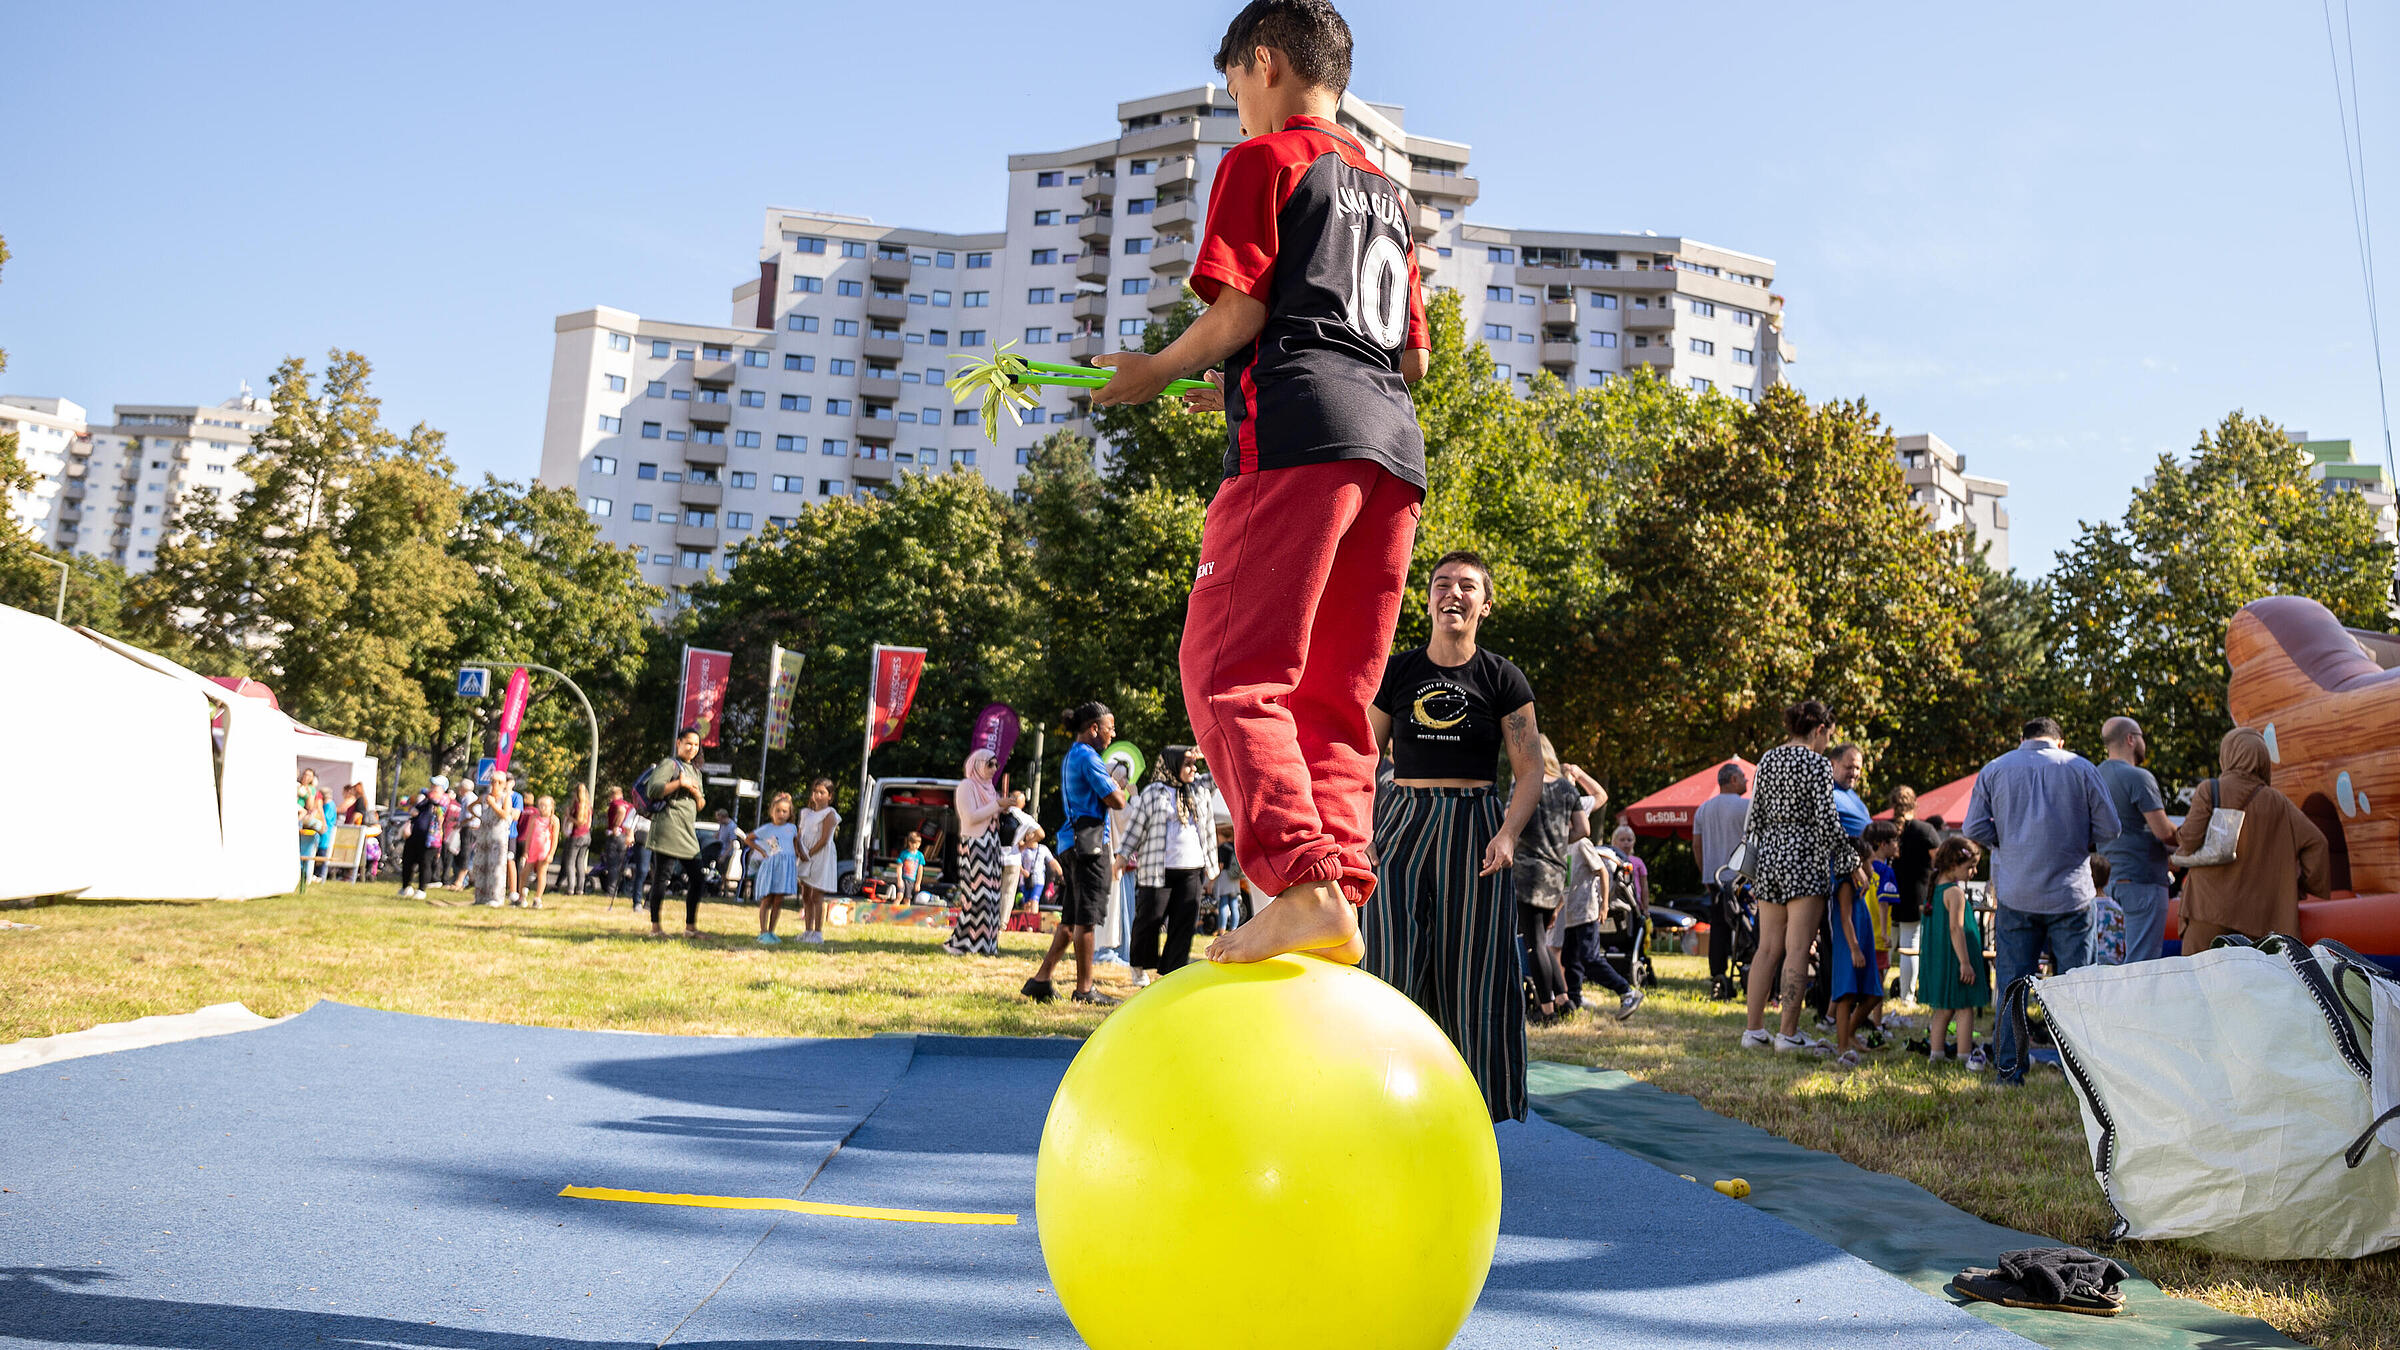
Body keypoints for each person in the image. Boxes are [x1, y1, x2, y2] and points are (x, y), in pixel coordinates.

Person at [1093, 0, 1431, 970]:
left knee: (1232, 668)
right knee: (1333, 693)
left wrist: (1155, 370)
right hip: (1390, 455)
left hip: (1299, 440)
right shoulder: (1387, 194)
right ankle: (1334, 899)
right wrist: (1238, 386)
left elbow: (1242, 308)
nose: (1237, 105)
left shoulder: (1265, 161)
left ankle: (1296, 879)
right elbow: (1407, 358)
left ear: (1267, 64)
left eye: (1236, 83)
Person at [1364, 552, 1545, 1122]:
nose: (1453, 593)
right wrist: (1359, 830)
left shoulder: (1503, 678)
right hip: (1400, 822)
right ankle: (1382, 1106)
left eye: (1467, 586)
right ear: (1428, 600)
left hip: (1476, 828)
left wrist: (1510, 833)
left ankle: (1465, 1116)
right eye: (1442, 584)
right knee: (1388, 966)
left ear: (1484, 605)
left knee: (1474, 974)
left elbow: (1531, 769)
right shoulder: (1396, 672)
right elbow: (1364, 757)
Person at [1963, 716, 2119, 1086]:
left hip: (2017, 891)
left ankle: (2009, 1071)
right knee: (2076, 985)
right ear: (2059, 742)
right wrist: (2076, 840)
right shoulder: (2081, 767)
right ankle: (2079, 1075)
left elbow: (1972, 829)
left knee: (2012, 985)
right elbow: (2111, 828)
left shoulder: (1996, 769)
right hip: (2071, 893)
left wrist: (2007, 842)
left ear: (2022, 739)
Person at [1738, 699, 1856, 1055]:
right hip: (1804, 858)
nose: (1827, 743)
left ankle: (1753, 1030)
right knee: (1797, 948)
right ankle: (1787, 1033)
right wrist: (1850, 858)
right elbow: (1826, 820)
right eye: (1828, 735)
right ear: (1819, 729)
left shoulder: (1768, 760)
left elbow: (1755, 816)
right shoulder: (1818, 765)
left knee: (1767, 947)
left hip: (1769, 858)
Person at [2175, 726, 2331, 951]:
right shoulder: (2279, 802)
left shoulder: (2210, 790)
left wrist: (2179, 835)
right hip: (2261, 916)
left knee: (2198, 980)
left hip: (2207, 909)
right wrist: (2294, 883)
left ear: (2227, 755)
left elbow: (2189, 841)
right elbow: (2317, 843)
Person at [1023, 704, 1130, 1004]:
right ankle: (1085, 990)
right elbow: (1117, 800)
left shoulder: (1072, 755)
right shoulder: (1090, 758)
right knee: (1086, 920)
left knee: (1069, 921)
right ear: (1094, 728)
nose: (1113, 733)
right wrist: (1117, 786)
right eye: (1110, 728)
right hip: (1089, 847)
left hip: (1070, 844)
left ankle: (1041, 980)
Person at [1512, 737, 1601, 1024]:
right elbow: (1584, 828)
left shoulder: (1525, 784)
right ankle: (1563, 998)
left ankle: (1546, 1009)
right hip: (1556, 872)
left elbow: (1509, 821)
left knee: (1534, 940)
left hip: (1527, 871)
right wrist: (1560, 842)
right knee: (1545, 939)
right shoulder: (1565, 787)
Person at [1118, 746, 1222, 984]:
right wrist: (1122, 856)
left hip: (1192, 869)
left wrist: (1205, 753)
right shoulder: (1154, 792)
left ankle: (1171, 972)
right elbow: (1136, 827)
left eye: (1194, 765)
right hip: (1158, 870)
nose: (1193, 769)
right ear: (1173, 765)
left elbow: (1221, 772)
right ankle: (1138, 967)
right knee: (1149, 919)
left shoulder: (1200, 787)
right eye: (1187, 764)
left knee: (1183, 923)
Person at [2097, 717, 2180, 963]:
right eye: (2142, 736)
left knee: (2111, 963)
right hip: (2142, 882)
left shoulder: (2094, 775)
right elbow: (2164, 832)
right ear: (2131, 739)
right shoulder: (2138, 777)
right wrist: (2197, 836)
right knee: (2141, 964)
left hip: (2108, 881)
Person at [1829, 821, 1899, 1066]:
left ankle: (1849, 1033)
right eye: (1868, 862)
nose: (1872, 867)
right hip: (1849, 946)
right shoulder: (1847, 884)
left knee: (1873, 994)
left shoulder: (1861, 886)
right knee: (1846, 994)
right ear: (1856, 863)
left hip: (1864, 943)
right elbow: (1845, 918)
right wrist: (1855, 948)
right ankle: (1842, 1043)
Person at [1918, 836, 1992, 1068]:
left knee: (1943, 1009)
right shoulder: (1955, 893)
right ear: (1952, 866)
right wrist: (1965, 962)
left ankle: (1936, 1054)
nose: (1974, 871)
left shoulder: (1935, 891)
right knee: (1964, 1007)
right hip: (1956, 959)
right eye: (1969, 867)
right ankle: (1963, 1055)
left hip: (1942, 959)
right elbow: (1955, 928)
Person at [1553, 828, 1643, 1018]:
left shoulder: (1582, 844)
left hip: (1586, 911)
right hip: (1571, 915)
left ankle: (1627, 991)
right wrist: (1556, 911)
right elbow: (1566, 885)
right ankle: (1574, 1002)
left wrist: (1604, 906)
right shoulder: (1562, 848)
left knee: (1590, 959)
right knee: (1570, 961)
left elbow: (1602, 872)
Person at [641, 726, 709, 938]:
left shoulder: (696, 771)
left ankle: (690, 927)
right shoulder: (669, 764)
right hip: (668, 828)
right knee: (663, 877)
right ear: (678, 743)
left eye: (696, 745)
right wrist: (679, 783)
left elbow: (701, 805)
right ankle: (655, 928)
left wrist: (697, 794)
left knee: (698, 878)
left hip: (687, 832)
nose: (692, 748)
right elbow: (653, 789)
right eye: (688, 743)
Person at [1690, 762, 1751, 1001]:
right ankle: (1748, 970)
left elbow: (1697, 845)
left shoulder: (1703, 809)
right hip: (1742, 880)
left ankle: (1718, 977)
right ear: (1733, 780)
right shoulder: (1746, 807)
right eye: (1744, 778)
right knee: (1748, 928)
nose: (1747, 782)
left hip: (1714, 879)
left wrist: (1705, 872)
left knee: (1718, 931)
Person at [943, 748, 1009, 957]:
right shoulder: (966, 786)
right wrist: (997, 805)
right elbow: (970, 818)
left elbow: (991, 813)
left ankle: (986, 946)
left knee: (992, 897)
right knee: (976, 897)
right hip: (974, 845)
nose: (994, 769)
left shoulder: (989, 789)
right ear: (977, 764)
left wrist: (1003, 807)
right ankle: (961, 943)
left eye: (995, 764)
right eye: (989, 764)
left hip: (991, 845)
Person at [1888, 785, 1942, 1003]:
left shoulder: (1886, 828)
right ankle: (1907, 997)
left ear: (1892, 804)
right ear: (1915, 804)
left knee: (1885, 945)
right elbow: (1940, 860)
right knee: (1910, 946)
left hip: (1887, 895)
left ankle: (1872, 994)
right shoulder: (1925, 830)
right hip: (1916, 895)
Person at [794, 778, 842, 944]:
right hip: (804, 855)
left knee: (816, 894)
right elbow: (800, 835)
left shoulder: (830, 814)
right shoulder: (805, 813)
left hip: (820, 855)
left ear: (830, 796)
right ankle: (807, 930)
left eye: (822, 792)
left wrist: (810, 853)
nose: (818, 795)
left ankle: (817, 932)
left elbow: (824, 839)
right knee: (806, 893)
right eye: (816, 792)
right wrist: (799, 851)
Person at [749, 791, 799, 944]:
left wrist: (798, 856)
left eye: (785, 811)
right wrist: (762, 851)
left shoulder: (792, 828)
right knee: (767, 899)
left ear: (790, 813)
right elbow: (749, 838)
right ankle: (763, 931)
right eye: (778, 810)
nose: (781, 814)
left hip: (785, 868)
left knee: (778, 900)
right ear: (772, 812)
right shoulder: (767, 828)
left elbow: (796, 844)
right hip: (772, 866)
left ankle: (772, 931)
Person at [398, 777, 448, 900]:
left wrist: (426, 792)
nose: (432, 788)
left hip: (430, 839)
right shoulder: (425, 800)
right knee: (408, 861)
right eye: (431, 785)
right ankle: (406, 886)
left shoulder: (443, 799)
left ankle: (421, 889)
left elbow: (436, 802)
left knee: (425, 864)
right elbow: (415, 809)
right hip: (415, 835)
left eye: (435, 786)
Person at [471, 772, 515, 908]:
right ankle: (481, 896)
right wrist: (479, 816)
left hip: (498, 837)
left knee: (495, 868)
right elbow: (470, 807)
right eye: (493, 781)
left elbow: (505, 814)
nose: (495, 785)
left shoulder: (505, 798)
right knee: (481, 865)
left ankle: (495, 897)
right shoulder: (484, 797)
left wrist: (493, 805)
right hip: (484, 835)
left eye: (499, 782)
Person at [519, 795, 556, 908]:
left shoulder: (554, 821)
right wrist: (526, 851)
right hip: (533, 849)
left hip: (544, 850)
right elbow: (529, 835)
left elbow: (554, 839)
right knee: (525, 872)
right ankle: (522, 895)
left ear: (551, 807)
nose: (542, 808)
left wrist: (551, 854)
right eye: (540, 805)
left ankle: (538, 898)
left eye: (545, 805)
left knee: (541, 873)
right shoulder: (534, 819)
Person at [560, 783, 593, 897]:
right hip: (586, 836)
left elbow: (579, 822)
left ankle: (570, 889)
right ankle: (580, 889)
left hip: (576, 836)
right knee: (580, 863)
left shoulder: (577, 805)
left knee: (570, 862)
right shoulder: (588, 806)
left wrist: (568, 816)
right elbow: (588, 824)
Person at [600, 786, 630, 899]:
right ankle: (620, 888)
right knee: (620, 865)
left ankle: (611, 892)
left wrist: (616, 826)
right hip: (624, 837)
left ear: (612, 794)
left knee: (612, 865)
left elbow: (621, 811)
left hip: (615, 836)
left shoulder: (616, 803)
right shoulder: (628, 804)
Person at [896, 832, 925, 904]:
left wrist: (918, 883)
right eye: (914, 843)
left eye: (918, 843)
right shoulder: (904, 854)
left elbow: (920, 870)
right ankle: (892, 912)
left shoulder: (920, 855)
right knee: (899, 896)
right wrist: (899, 879)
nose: (916, 846)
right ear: (909, 843)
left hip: (911, 881)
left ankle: (906, 914)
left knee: (907, 899)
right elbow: (899, 867)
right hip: (903, 879)